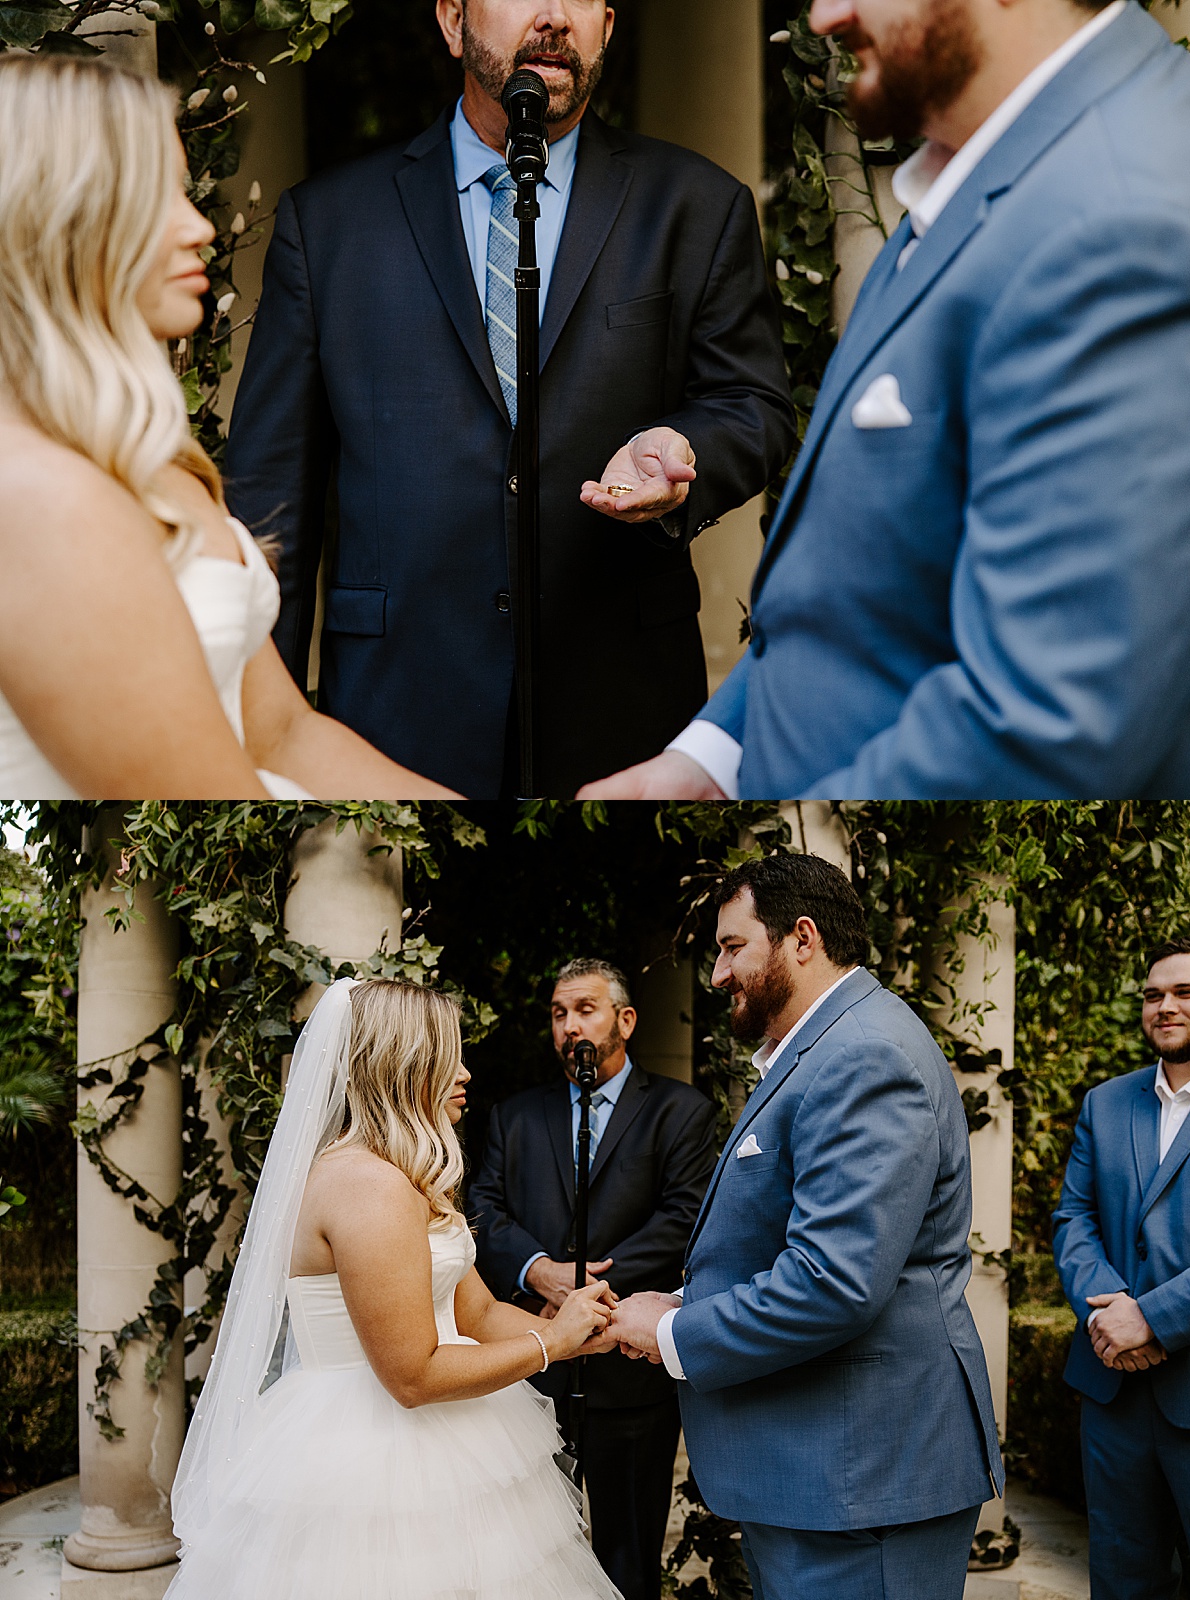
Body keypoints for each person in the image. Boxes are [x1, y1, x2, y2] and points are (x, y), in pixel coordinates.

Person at [581, 0, 1190, 802]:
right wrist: (711, 761)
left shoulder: (1120, 213)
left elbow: (1046, 725)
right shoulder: (980, 181)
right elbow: (863, 591)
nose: (825, 12)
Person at [224, 0, 796, 799]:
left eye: (582, 0)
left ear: (609, 25)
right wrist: (257, 749)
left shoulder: (697, 206)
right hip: (391, 721)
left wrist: (684, 445)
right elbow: (270, 503)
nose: (555, 16)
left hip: (622, 717)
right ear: (454, 20)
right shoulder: (328, 226)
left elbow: (753, 404)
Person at [0, 54, 454, 802]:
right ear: (61, 217)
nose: (199, 227)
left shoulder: (152, 465)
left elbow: (282, 732)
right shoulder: (41, 498)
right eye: (160, 197)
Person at [608, 854, 1003, 1600]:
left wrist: (668, 1338)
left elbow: (834, 1282)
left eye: (732, 947)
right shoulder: (829, 1049)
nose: (717, 974)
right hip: (828, 1474)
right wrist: (686, 1305)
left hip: (861, 1480)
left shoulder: (864, 1057)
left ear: (802, 938)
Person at [167, 977, 624, 1600]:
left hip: (451, 1431)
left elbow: (481, 1314)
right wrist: (549, 1348)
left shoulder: (406, 1178)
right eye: (447, 1055)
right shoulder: (365, 1186)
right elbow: (412, 1376)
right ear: (404, 1065)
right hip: (369, 1459)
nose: (465, 1071)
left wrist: (579, 1329)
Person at [469, 958, 716, 1600]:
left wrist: (585, 1294)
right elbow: (482, 1211)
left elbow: (684, 1217)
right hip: (531, 1367)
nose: (569, 1026)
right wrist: (538, 1271)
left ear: (625, 1021)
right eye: (558, 1013)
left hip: (630, 1371)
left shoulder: (680, 1111)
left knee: (628, 1558)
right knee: (526, 1556)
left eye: (585, 1009)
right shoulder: (513, 1116)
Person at [1052, 935, 1190, 1600]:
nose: (1165, 1006)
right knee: (1121, 1578)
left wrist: (1153, 1318)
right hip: (1112, 1386)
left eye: (1186, 992)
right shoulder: (1106, 1102)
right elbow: (1073, 1219)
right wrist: (1109, 1303)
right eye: (1153, 995)